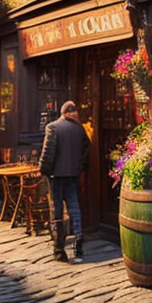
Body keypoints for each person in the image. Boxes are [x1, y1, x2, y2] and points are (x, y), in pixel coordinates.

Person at [39, 101, 89, 263]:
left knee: (57, 209)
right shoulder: (79, 129)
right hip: (72, 174)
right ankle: (78, 241)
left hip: (56, 175)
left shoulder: (53, 127)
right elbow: (86, 152)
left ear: (62, 112)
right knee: (74, 206)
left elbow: (48, 153)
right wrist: (79, 168)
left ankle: (59, 249)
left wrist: (44, 170)